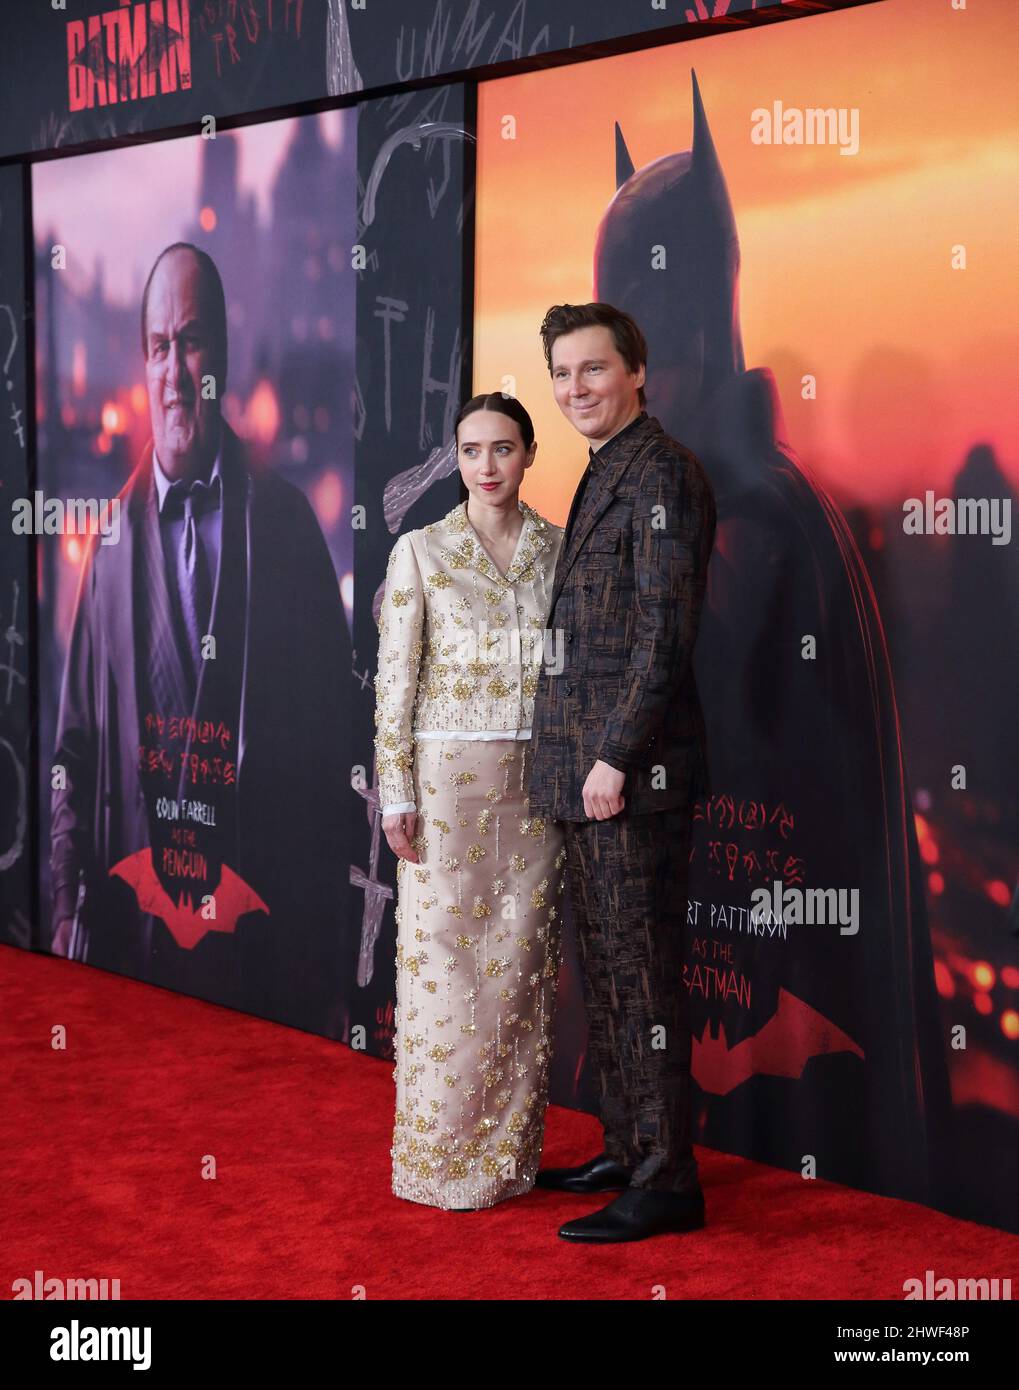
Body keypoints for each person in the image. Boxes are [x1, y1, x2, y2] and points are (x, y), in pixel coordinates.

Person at [49, 242, 350, 1037]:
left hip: (266, 958)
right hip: (137, 948)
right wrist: (64, 907)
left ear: (220, 352)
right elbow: (73, 755)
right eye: (158, 346)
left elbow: (334, 751)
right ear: (142, 363)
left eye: (190, 341)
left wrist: (324, 957)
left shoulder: (287, 527)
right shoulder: (109, 545)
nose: (174, 370)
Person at [527, 302, 717, 1243]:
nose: (575, 391)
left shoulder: (666, 475)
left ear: (635, 370)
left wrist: (612, 756)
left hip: (629, 779)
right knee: (604, 975)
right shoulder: (605, 469)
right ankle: (623, 1142)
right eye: (561, 376)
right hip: (580, 775)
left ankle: (667, 1180)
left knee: (642, 980)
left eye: (592, 370)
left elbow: (663, 637)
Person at [374, 392, 566, 1210]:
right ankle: (435, 1164)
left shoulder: (560, 549)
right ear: (456, 459)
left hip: (536, 790)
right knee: (443, 972)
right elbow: (396, 682)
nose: (486, 467)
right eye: (471, 450)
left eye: (503, 449)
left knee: (519, 971)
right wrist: (395, 793)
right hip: (447, 787)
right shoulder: (420, 549)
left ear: (529, 455)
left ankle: (504, 1161)